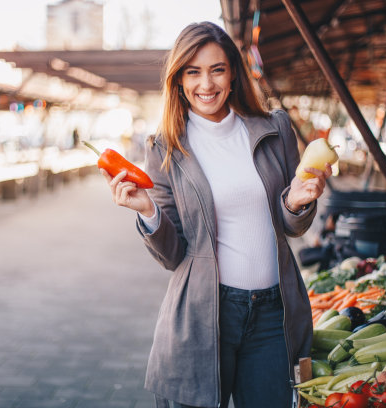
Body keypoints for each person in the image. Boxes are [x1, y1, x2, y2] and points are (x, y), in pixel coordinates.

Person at [99, 21, 332, 408]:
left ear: (233, 74)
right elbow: (173, 255)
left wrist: (296, 203)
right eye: (193, 72)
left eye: (216, 69)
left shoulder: (274, 129)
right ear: (178, 80)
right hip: (205, 313)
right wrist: (149, 212)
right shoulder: (165, 148)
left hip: (275, 313)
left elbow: (292, 226)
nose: (205, 84)